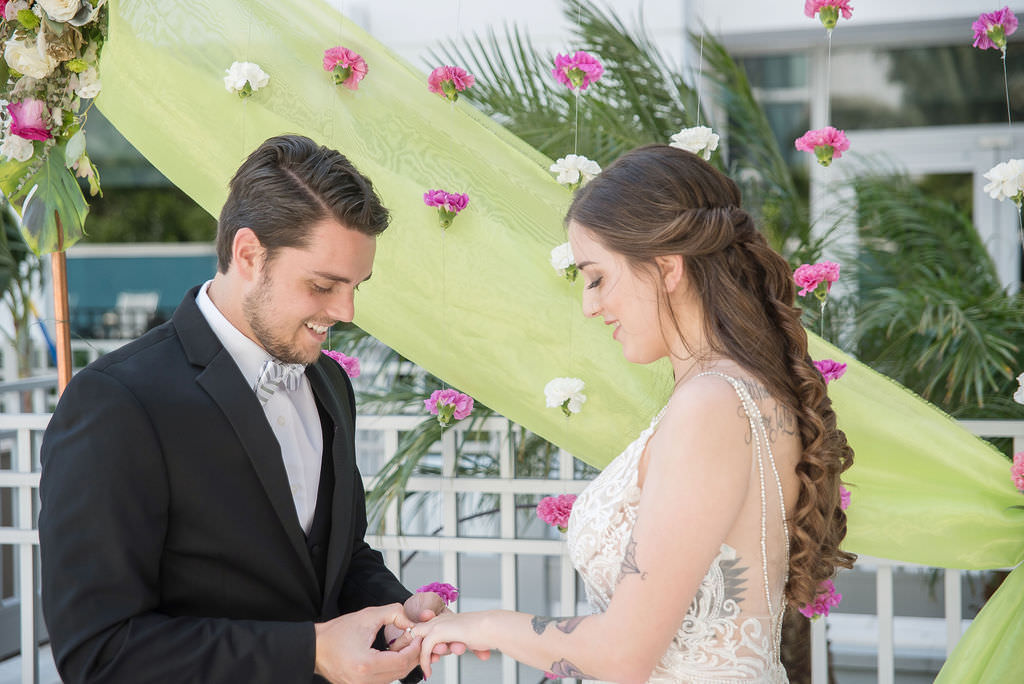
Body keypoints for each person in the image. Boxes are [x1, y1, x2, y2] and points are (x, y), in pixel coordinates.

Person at [412, 144, 856, 683]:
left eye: (597, 277)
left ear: (667, 267)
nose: (589, 306)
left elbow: (623, 655)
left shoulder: (710, 405)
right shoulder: (746, 391)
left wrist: (481, 624)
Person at [39, 134, 456, 684]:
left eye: (356, 286)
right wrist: (308, 649)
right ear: (249, 254)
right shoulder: (116, 402)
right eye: (324, 285)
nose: (347, 310)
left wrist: (399, 616)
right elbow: (98, 652)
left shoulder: (330, 383)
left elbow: (338, 557)